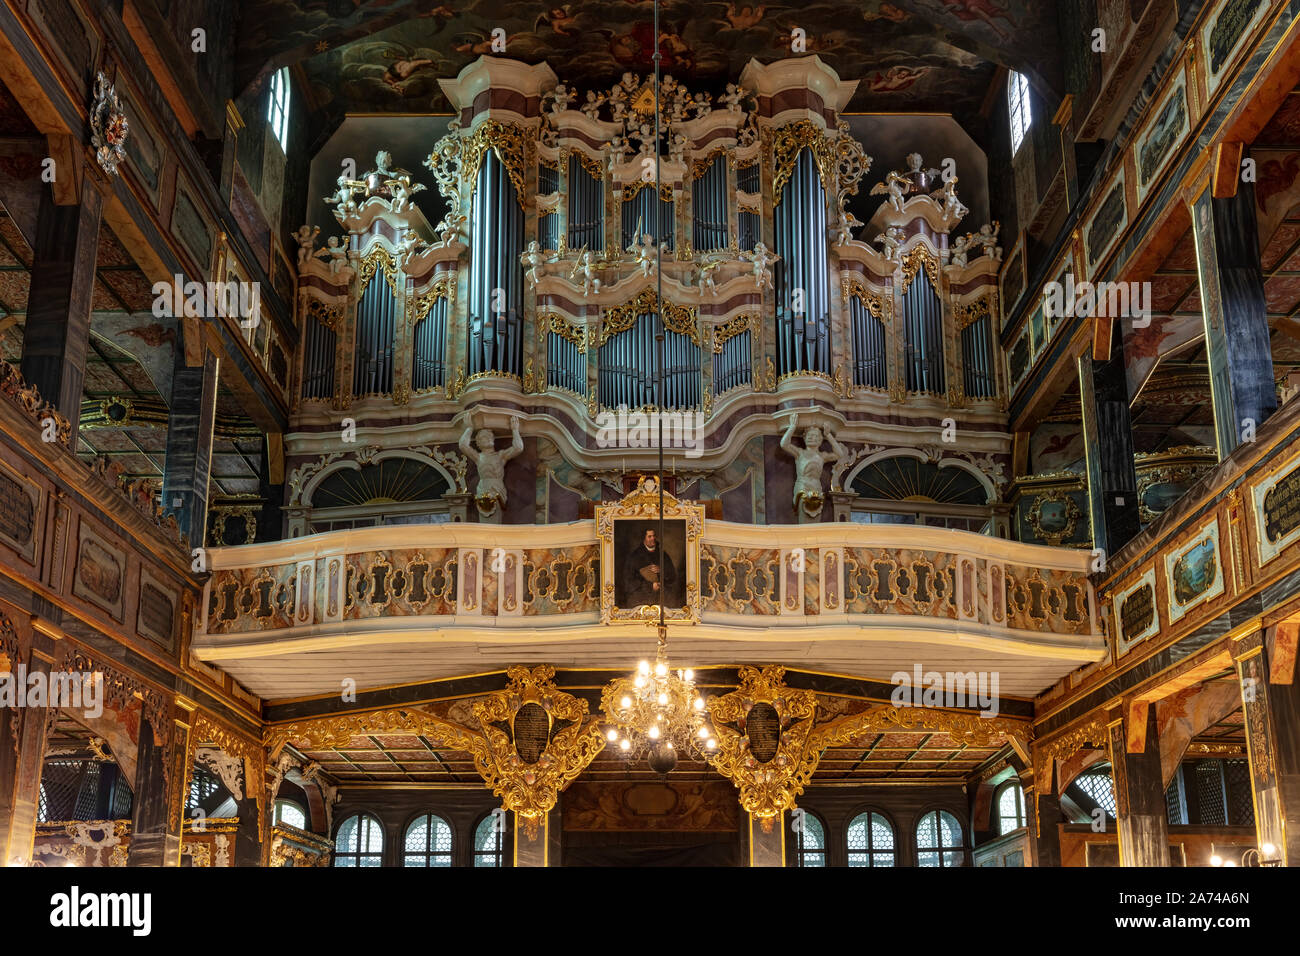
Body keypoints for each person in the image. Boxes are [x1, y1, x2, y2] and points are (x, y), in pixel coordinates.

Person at [620, 526, 680, 608]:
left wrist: (661, 570)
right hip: (641, 599)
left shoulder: (663, 555)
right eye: (649, 536)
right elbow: (628, 581)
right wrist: (650, 586)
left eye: (654, 536)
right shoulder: (634, 556)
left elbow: (673, 576)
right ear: (643, 539)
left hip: (662, 599)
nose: (653, 538)